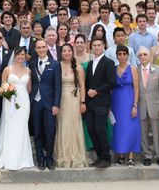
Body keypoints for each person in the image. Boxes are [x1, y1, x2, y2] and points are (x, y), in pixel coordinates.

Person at [84, 37, 116, 168]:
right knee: (91, 129)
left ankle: (106, 158)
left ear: (103, 46)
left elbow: (112, 82)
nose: (96, 47)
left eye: (99, 45)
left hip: (102, 102)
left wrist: (96, 91)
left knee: (100, 129)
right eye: (94, 45)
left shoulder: (108, 62)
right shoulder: (91, 63)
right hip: (90, 102)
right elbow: (87, 84)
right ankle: (99, 156)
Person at [30, 39, 62, 170]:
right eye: (39, 47)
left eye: (43, 47)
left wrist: (56, 104)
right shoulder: (32, 64)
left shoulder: (55, 64)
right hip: (35, 103)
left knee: (50, 132)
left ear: (47, 48)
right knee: (37, 132)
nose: (41, 49)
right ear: (36, 49)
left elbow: (58, 86)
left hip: (49, 103)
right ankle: (40, 159)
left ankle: (49, 158)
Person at [55, 44, 88, 168]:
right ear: (61, 53)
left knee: (74, 125)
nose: (67, 53)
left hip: (75, 99)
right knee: (63, 125)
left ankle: (76, 156)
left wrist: (82, 102)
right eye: (64, 51)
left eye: (69, 50)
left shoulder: (78, 67)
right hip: (62, 99)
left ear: (72, 52)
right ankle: (63, 157)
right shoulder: (57, 66)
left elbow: (82, 86)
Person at [137, 46, 159, 166]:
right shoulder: (136, 70)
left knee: (156, 133)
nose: (143, 57)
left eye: (145, 54)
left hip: (155, 106)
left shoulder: (158, 70)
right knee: (143, 133)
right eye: (140, 55)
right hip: (141, 107)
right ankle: (147, 155)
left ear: (149, 56)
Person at [111, 45, 141, 166]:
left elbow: (137, 88)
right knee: (118, 129)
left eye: (124, 54)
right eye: (120, 54)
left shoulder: (133, 69)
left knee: (131, 128)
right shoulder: (113, 69)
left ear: (128, 55)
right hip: (116, 102)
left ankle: (131, 156)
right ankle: (120, 154)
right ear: (117, 56)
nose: (122, 56)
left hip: (129, 101)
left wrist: (134, 105)